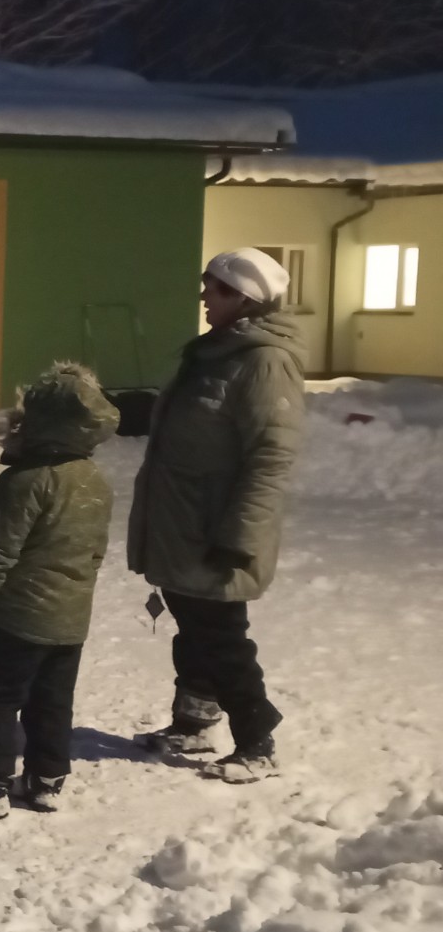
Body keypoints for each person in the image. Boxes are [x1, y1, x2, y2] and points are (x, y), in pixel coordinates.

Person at [128, 248, 305, 784]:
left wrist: (241, 535)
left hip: (218, 529)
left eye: (214, 286)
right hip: (183, 523)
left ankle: (257, 739)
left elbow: (272, 455)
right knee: (193, 629)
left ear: (244, 298)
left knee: (222, 639)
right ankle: (194, 723)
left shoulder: (263, 361)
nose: (203, 293)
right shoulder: (214, 352)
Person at [0, 364, 120, 819]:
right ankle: (45, 780)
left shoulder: (25, 481)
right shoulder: (94, 479)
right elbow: (95, 552)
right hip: (70, 622)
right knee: (51, 701)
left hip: (18, 618)